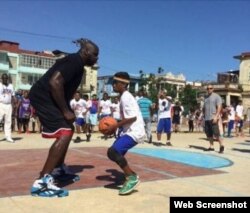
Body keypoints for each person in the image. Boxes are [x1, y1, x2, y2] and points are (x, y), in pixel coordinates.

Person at [29, 38, 99, 197]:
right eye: (95, 55)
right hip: (44, 97)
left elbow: (62, 87)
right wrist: (65, 110)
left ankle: (58, 170)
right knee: (65, 132)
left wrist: (66, 109)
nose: (97, 58)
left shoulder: (78, 65)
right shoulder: (74, 61)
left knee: (69, 129)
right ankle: (42, 183)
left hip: (48, 98)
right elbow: (55, 83)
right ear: (86, 52)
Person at [105, 72, 145, 195]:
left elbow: (132, 117)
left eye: (115, 83)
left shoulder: (126, 97)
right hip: (129, 131)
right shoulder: (124, 96)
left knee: (113, 152)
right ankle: (130, 175)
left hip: (135, 132)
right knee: (114, 153)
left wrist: (115, 125)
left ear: (123, 84)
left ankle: (132, 177)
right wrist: (118, 128)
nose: (113, 85)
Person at [203, 85, 224, 153]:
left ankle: (221, 146)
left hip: (213, 117)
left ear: (213, 89)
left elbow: (219, 107)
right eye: (208, 88)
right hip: (207, 118)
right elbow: (204, 108)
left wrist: (216, 116)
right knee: (208, 133)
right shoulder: (206, 97)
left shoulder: (216, 96)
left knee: (216, 133)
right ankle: (211, 146)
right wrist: (204, 116)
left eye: (210, 88)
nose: (209, 89)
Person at [0, 73, 15, 142]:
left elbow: (13, 96)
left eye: (6, 78)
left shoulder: (11, 86)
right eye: (3, 78)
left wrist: (13, 105)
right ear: (1, 79)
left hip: (9, 105)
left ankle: (8, 137)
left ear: (7, 79)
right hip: (1, 104)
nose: (5, 79)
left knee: (8, 121)